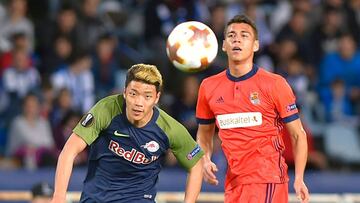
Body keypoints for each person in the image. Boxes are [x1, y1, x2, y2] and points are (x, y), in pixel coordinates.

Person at [196, 14, 309, 203]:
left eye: (244, 35)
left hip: (268, 178)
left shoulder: (274, 84)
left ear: (256, 45)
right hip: (233, 183)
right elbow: (204, 134)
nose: (237, 39)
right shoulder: (208, 87)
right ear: (223, 45)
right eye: (231, 35)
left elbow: (298, 134)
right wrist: (205, 159)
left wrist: (299, 178)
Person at [51, 64, 204, 203]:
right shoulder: (106, 109)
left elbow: (196, 164)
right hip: (96, 198)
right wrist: (58, 196)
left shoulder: (169, 128)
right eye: (133, 93)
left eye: (147, 96)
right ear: (124, 92)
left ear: (157, 98)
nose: (139, 102)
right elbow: (69, 151)